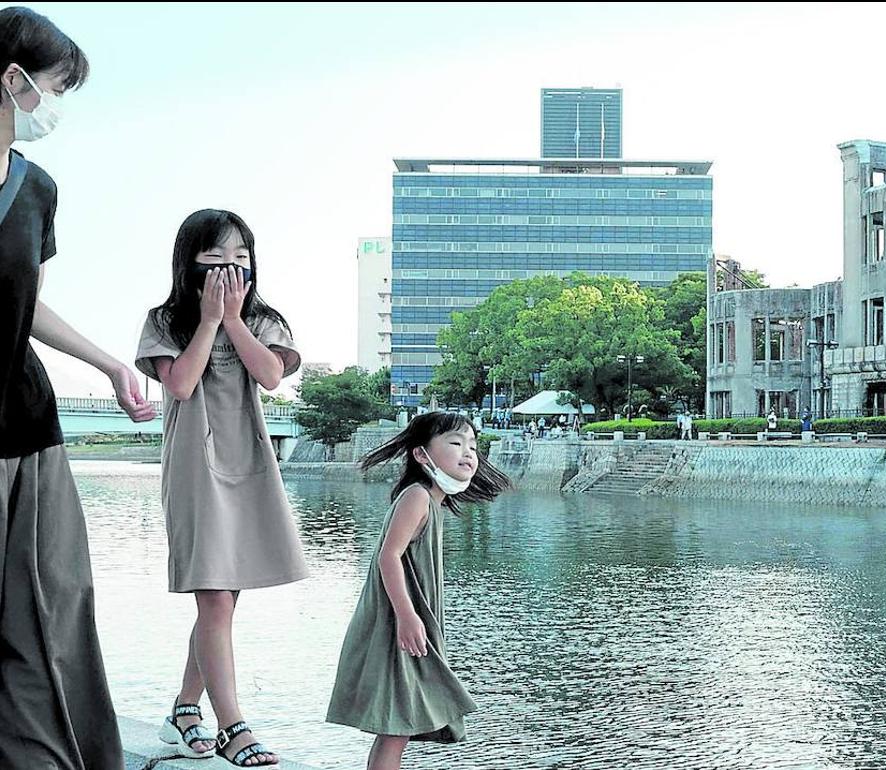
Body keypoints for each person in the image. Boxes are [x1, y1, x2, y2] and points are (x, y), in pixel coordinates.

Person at [0, 9, 158, 768]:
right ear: (13, 79)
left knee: (51, 608)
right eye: (55, 87)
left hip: (28, 424)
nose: (55, 106)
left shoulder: (37, 189)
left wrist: (109, 363)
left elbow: (26, 301)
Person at [136, 210, 307, 766]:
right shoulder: (164, 320)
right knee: (213, 596)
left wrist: (234, 320)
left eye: (240, 257)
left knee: (224, 600)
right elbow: (181, 383)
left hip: (250, 462)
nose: (230, 268)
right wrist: (208, 320)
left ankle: (185, 709)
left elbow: (271, 376)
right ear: (190, 262)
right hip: (194, 465)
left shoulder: (265, 319)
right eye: (216, 258)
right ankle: (233, 725)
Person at [327, 411, 511, 770]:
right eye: (455, 443)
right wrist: (408, 617)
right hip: (397, 626)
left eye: (473, 445)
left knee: (397, 728)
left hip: (403, 625)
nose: (468, 453)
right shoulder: (418, 497)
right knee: (396, 727)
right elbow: (388, 557)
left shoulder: (431, 500)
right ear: (422, 455)